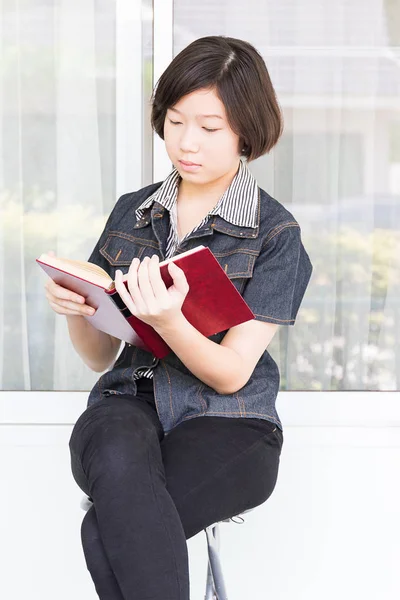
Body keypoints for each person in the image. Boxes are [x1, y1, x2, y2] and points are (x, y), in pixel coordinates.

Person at [45, 36, 313, 600]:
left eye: (210, 128)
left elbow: (231, 374)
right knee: (117, 461)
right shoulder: (131, 213)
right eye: (174, 122)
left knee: (108, 530)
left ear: (247, 129)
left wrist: (170, 322)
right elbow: (99, 355)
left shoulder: (275, 233)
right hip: (127, 405)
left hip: (231, 421)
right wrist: (77, 310)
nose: (186, 143)